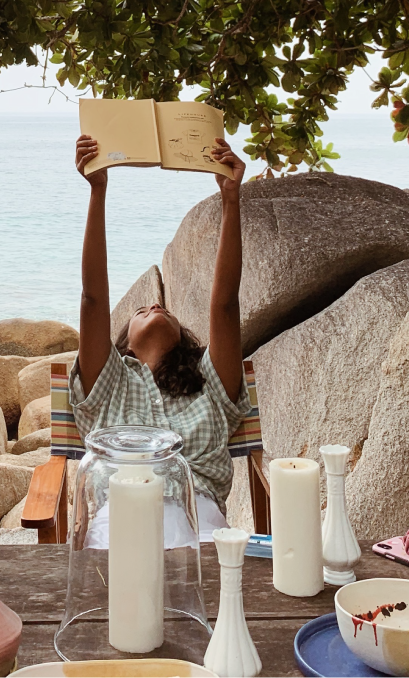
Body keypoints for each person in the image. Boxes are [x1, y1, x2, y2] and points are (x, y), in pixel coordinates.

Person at [71, 133, 249, 544]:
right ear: (125, 344)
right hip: (120, 517)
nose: (153, 305)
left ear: (184, 342)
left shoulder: (210, 384)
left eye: (165, 310)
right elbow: (92, 298)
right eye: (140, 310)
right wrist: (98, 191)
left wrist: (231, 201)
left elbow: (225, 306)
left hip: (200, 519)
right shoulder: (107, 384)